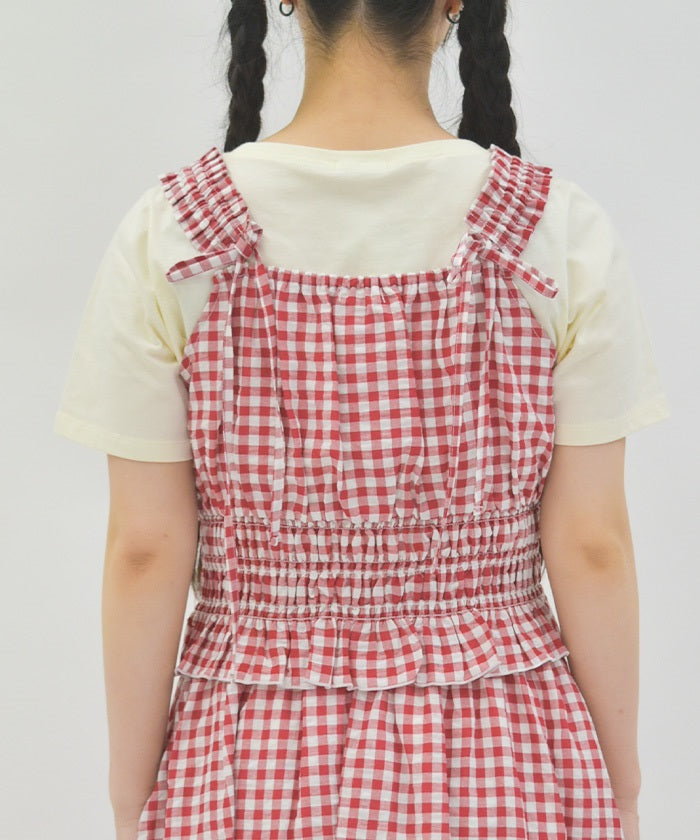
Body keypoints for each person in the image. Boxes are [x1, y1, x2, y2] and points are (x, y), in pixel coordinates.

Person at [54, 2, 671, 838]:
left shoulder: (172, 233)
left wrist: (132, 798)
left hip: (247, 750)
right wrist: (621, 786)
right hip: (504, 744)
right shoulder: (554, 229)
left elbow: (144, 549)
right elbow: (592, 544)